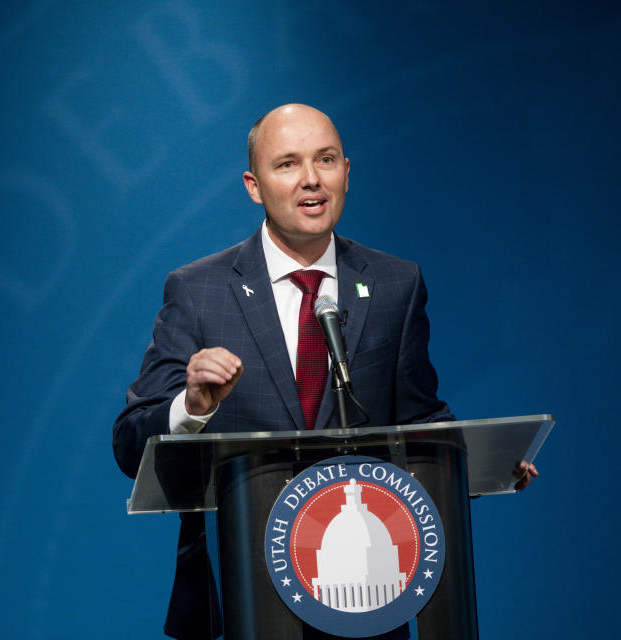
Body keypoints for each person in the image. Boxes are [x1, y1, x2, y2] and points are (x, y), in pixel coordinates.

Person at [112, 104, 536, 640]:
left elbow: (419, 420)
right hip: (238, 598)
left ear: (347, 173)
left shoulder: (393, 285)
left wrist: (487, 463)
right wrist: (191, 409)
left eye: (326, 160)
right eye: (287, 164)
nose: (311, 179)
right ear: (253, 185)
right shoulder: (199, 291)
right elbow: (130, 444)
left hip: (363, 593)